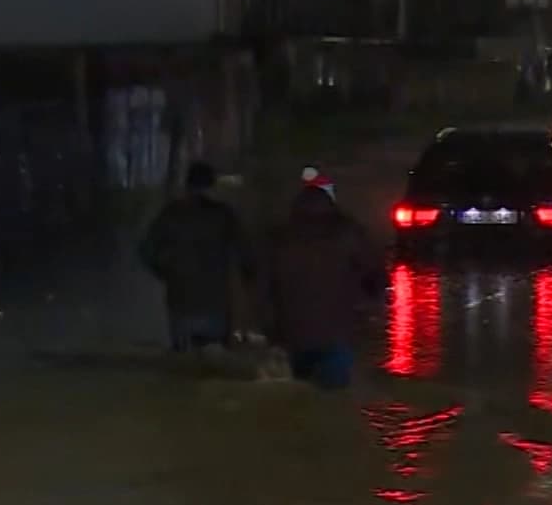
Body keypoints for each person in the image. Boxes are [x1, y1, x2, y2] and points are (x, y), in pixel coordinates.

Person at [267, 180, 383, 390]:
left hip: (294, 332)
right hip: (337, 332)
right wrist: (369, 306)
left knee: (301, 395)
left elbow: (264, 287)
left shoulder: (280, 238)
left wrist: (271, 330)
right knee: (334, 396)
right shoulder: (349, 234)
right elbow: (376, 274)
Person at [140, 161, 254, 351]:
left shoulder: (172, 215)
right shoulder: (223, 216)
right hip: (215, 302)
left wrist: (168, 272)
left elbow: (147, 251)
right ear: (212, 185)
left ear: (187, 185)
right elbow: (246, 255)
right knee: (213, 362)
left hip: (181, 301)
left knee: (183, 361)